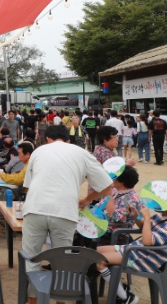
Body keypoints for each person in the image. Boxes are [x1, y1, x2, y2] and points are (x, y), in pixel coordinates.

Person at [21, 125, 113, 304]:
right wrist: (87, 199)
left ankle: (33, 301)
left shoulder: (38, 151)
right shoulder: (82, 153)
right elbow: (106, 185)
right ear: (68, 139)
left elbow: (29, 185)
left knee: (31, 259)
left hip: (35, 208)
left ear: (47, 139)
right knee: (62, 261)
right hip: (64, 211)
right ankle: (60, 300)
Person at [95, 204, 167, 304]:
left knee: (99, 261)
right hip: (135, 249)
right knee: (94, 252)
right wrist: (135, 215)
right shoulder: (161, 215)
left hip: (144, 258)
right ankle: (123, 289)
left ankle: (126, 298)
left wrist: (147, 218)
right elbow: (144, 227)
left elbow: (147, 241)